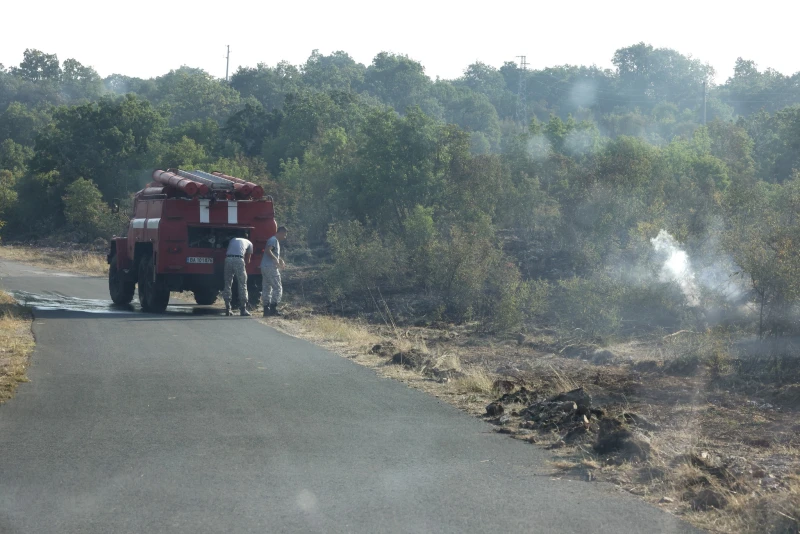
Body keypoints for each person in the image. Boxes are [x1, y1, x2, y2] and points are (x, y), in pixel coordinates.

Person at [222, 235, 253, 316]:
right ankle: (243, 309)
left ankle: (228, 308)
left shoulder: (233, 239)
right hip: (239, 259)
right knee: (242, 284)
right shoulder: (249, 243)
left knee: (227, 283)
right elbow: (248, 260)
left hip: (228, 259)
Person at [261, 226, 287, 317]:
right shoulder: (273, 240)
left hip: (265, 267)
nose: (285, 237)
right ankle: (273, 308)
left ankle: (266, 309)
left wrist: (280, 260)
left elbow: (272, 252)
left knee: (267, 288)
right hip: (271, 268)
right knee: (278, 288)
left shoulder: (273, 240)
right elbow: (268, 251)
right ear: (281, 232)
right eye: (285, 234)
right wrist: (276, 259)